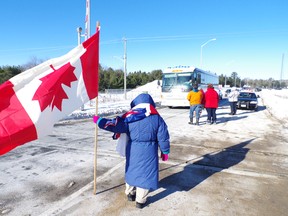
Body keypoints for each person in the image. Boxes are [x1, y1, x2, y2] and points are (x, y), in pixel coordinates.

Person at [93, 93, 170, 209]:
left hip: (133, 150)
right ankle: (140, 201)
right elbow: (163, 137)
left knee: (132, 171)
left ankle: (130, 193)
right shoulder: (157, 118)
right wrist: (165, 151)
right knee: (146, 175)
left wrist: (100, 121)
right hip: (150, 151)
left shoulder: (130, 117)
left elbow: (115, 125)